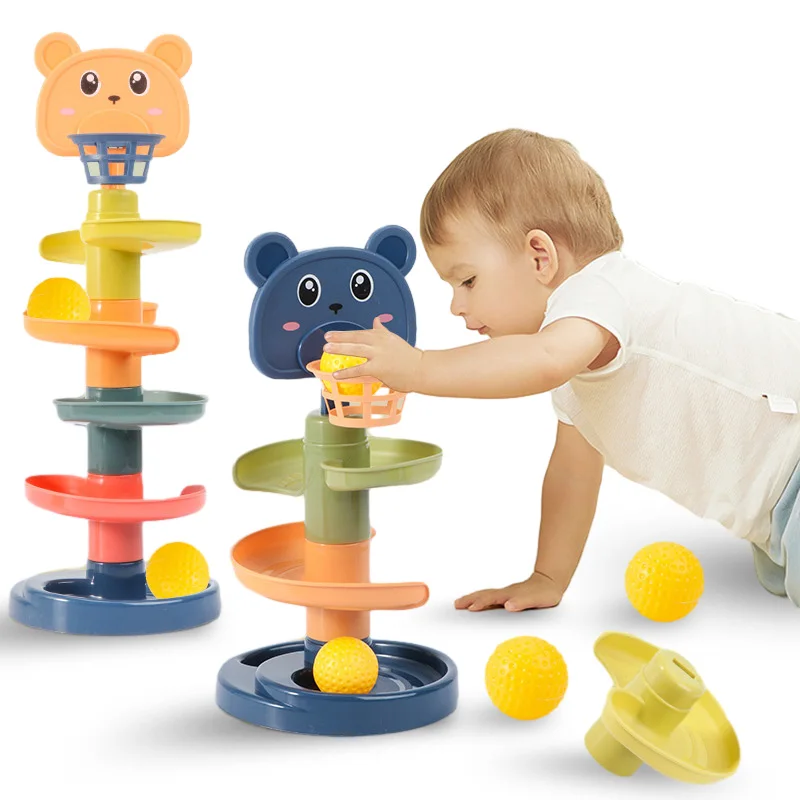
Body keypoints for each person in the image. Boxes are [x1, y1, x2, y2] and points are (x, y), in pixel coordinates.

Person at [323, 128, 800, 611]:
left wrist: (420, 368)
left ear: (540, 257)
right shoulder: (578, 367)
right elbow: (573, 475)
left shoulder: (601, 291)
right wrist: (547, 578)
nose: (456, 306)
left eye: (466, 280)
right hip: (774, 516)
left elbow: (543, 360)